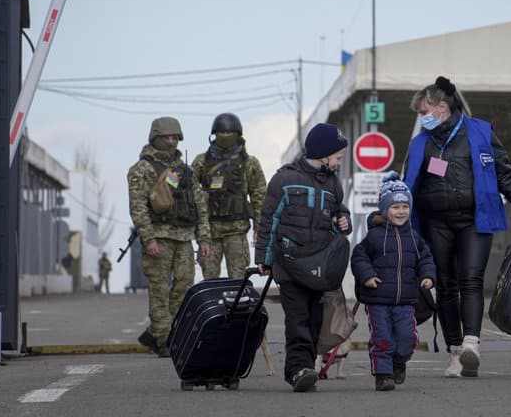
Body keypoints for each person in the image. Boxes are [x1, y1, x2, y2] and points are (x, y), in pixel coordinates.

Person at [402, 76, 511, 378]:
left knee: (470, 280)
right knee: (445, 285)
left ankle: (471, 344)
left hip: (474, 220)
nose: (421, 118)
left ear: (442, 107)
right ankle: (455, 353)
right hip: (435, 222)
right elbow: (406, 187)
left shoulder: (480, 132)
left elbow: (505, 175)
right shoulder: (420, 145)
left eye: (423, 112)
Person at [255, 123, 352, 392]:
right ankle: (298, 369)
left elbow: (339, 213)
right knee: (297, 319)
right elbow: (268, 220)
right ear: (323, 154)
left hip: (319, 265)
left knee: (315, 319)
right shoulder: (284, 179)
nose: (339, 163)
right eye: (338, 157)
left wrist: (344, 221)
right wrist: (264, 257)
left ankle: (306, 367)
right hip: (288, 263)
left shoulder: (333, 184)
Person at [127, 116, 211, 357]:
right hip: (159, 237)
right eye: (167, 137)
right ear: (156, 137)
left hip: (184, 238)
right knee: (160, 289)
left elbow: (199, 205)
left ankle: (165, 332)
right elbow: (138, 208)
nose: (172, 141)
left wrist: (203, 239)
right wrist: (149, 238)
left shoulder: (185, 170)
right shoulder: (141, 170)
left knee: (184, 286)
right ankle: (164, 338)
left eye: (175, 137)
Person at [351, 172, 436, 391]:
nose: (401, 211)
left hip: (406, 300)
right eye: (395, 207)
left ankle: (399, 363)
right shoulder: (374, 236)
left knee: (407, 338)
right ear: (384, 209)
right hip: (377, 299)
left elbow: (426, 258)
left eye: (405, 207)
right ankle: (383, 374)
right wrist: (367, 276)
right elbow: (359, 257)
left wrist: (427, 276)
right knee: (382, 338)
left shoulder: (414, 237)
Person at [191, 113, 267, 280]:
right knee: (210, 280)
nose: (225, 136)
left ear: (238, 135)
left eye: (229, 132)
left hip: (237, 231)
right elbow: (191, 196)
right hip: (210, 232)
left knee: (238, 280)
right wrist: (199, 231)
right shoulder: (201, 162)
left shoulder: (249, 163)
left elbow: (260, 198)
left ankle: (238, 306)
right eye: (221, 132)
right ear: (214, 134)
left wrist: (259, 229)